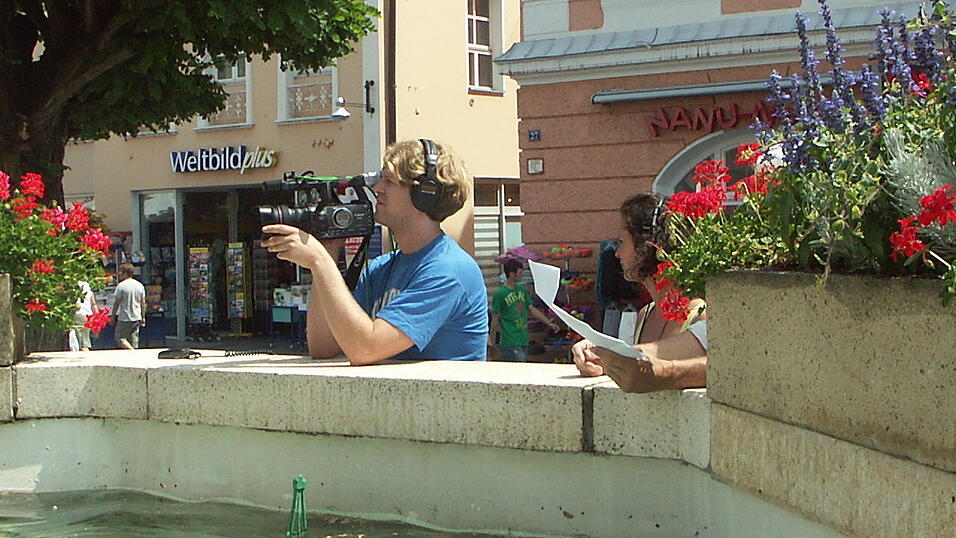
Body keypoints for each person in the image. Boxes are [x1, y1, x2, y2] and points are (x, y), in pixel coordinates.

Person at [261, 138, 488, 364]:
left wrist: (320, 261)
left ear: (425, 195)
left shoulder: (448, 270)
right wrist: (328, 251)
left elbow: (365, 350)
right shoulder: (382, 267)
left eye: (389, 181)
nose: (377, 189)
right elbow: (323, 346)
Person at [572, 193, 707, 392]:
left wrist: (602, 352)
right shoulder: (645, 314)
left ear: (647, 247)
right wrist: (598, 359)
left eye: (622, 242)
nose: (617, 253)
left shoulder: (701, 313)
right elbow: (633, 366)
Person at [489, 259, 560, 362]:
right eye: (520, 273)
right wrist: (492, 343)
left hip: (523, 338)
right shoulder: (500, 294)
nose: (521, 275)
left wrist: (548, 323)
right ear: (512, 274)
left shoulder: (521, 290)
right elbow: (495, 320)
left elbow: (531, 309)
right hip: (509, 340)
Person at [112, 263, 147, 349]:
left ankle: (132, 351)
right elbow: (142, 302)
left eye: (120, 272)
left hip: (125, 317)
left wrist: (113, 316)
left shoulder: (121, 286)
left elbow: (117, 303)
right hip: (136, 316)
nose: (119, 274)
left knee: (120, 338)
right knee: (134, 339)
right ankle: (134, 353)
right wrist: (143, 317)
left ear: (125, 273)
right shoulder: (139, 285)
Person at [70, 280, 99, 351]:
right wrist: (97, 316)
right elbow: (93, 304)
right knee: (84, 338)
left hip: (78, 315)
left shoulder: (72, 289)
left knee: (82, 342)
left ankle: (87, 358)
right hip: (88, 316)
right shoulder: (89, 291)